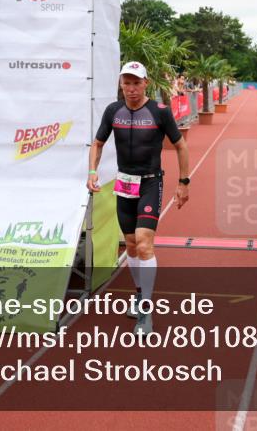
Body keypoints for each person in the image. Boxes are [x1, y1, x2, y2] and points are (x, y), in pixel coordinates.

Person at [87, 61, 189, 334]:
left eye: (136, 83)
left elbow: (180, 145)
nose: (131, 88)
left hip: (150, 182)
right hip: (124, 184)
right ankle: (140, 292)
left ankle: (146, 310)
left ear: (146, 84)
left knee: (145, 244)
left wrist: (183, 182)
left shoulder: (159, 112)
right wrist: (92, 171)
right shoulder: (113, 111)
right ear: (121, 85)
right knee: (131, 246)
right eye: (126, 83)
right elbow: (97, 143)